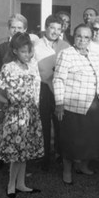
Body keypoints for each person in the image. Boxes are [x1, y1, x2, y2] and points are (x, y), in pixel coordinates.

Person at [0, 32, 44, 198]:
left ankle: (21, 184)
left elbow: (36, 89)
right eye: (23, 52)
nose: (27, 55)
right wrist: (8, 102)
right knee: (17, 152)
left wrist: (35, 108)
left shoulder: (33, 66)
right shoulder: (9, 67)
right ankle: (11, 185)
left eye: (29, 51)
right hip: (16, 116)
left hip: (31, 114)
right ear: (14, 51)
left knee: (25, 151)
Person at [54, 24, 99, 184]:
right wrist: (59, 103)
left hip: (93, 103)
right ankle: (67, 170)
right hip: (72, 104)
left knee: (91, 137)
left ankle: (83, 165)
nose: (82, 40)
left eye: (86, 37)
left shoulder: (95, 55)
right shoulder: (66, 54)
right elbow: (58, 79)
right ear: (74, 37)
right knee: (71, 139)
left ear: (90, 39)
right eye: (79, 36)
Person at [0, 13, 36, 171]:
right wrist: (1, 105)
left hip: (24, 103)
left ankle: (20, 169)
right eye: (13, 27)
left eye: (19, 27)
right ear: (8, 29)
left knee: (23, 135)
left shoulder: (29, 49)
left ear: (25, 29)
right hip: (6, 97)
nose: (16, 30)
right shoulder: (1, 47)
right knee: (3, 131)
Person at [34, 15, 70, 171]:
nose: (55, 32)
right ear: (46, 27)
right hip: (43, 88)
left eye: (58, 29)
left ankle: (61, 156)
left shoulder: (66, 45)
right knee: (44, 125)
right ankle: (44, 158)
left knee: (60, 124)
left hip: (60, 89)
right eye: (52, 28)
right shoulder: (35, 45)